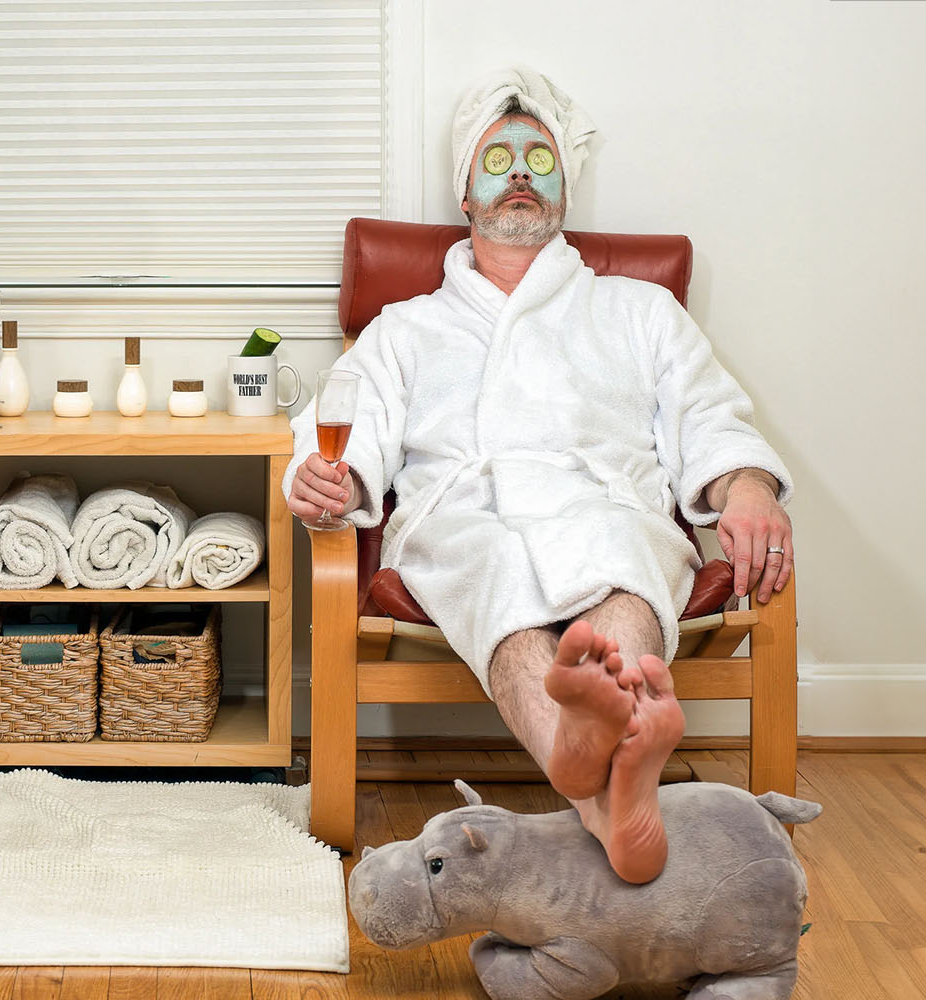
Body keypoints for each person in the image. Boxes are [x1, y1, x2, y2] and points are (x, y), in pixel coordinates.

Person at [282, 67, 795, 885]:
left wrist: (748, 489)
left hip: (608, 502)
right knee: (497, 584)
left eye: (538, 156)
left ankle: (587, 772)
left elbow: (710, 419)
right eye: (499, 157)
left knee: (626, 569)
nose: (520, 170)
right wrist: (330, 486)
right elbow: (345, 436)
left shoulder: (638, 311)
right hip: (464, 516)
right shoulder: (405, 328)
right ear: (466, 192)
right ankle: (612, 788)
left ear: (561, 187)